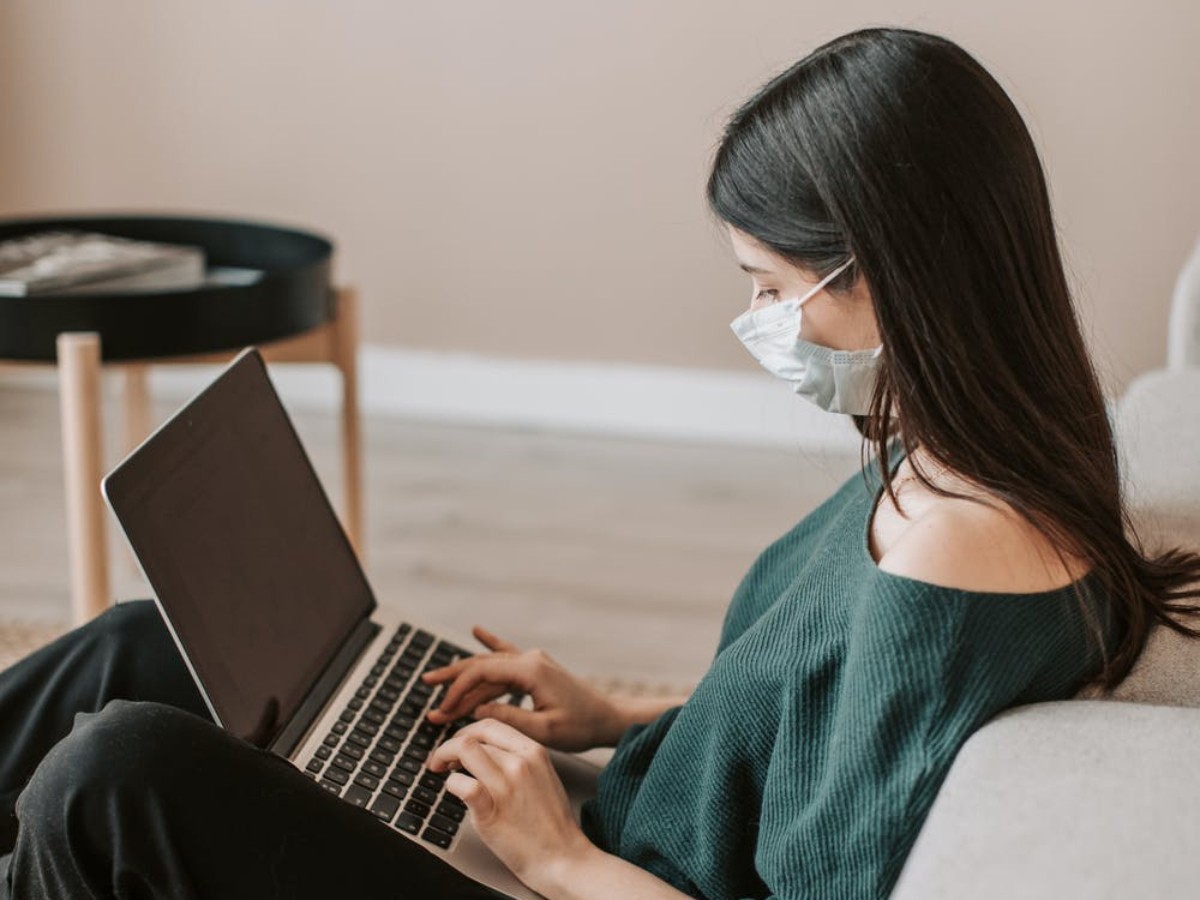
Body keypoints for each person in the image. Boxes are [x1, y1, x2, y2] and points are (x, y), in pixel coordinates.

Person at [2, 25, 1199, 900]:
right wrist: (610, 716)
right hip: (614, 830)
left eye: (775, 289)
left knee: (115, 776)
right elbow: (824, 731)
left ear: (900, 272)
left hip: (583, 886)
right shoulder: (986, 448)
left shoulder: (962, 551)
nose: (761, 320)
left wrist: (555, 854)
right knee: (142, 648)